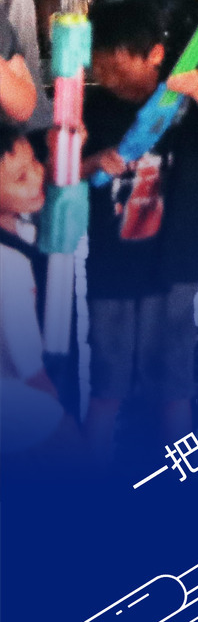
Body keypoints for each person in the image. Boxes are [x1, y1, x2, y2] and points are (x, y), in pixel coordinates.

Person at [81, 0, 198, 460]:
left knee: (173, 386)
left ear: (155, 56)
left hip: (173, 264)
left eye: (117, 66)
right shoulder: (94, 109)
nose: (107, 76)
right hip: (111, 267)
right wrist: (94, 162)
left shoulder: (181, 107)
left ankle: (176, 473)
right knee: (107, 384)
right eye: (99, 66)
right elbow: (68, 169)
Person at [0, 127, 79, 454]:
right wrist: (60, 417)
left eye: (34, 162)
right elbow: (28, 365)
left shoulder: (25, 232)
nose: (37, 175)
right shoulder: (8, 265)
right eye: (21, 178)